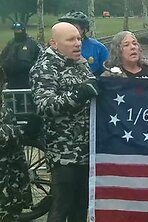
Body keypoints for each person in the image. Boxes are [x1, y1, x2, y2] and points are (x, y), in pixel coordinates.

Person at [29, 22, 99, 222]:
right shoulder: (44, 68)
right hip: (64, 152)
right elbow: (44, 105)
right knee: (62, 206)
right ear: (54, 43)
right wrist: (78, 95)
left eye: (79, 38)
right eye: (71, 40)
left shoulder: (79, 63)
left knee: (81, 206)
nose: (77, 43)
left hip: (85, 149)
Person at [0, 98, 35, 222]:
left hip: (12, 178)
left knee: (11, 213)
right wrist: (20, 131)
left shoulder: (4, 105)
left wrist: (27, 132)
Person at [58, 11, 109, 77]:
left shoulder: (98, 48)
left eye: (74, 28)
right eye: (66, 28)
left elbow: (108, 74)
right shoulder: (56, 47)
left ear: (84, 30)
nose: (69, 31)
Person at [0, 22, 43, 89]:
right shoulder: (11, 43)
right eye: (15, 30)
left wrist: (32, 66)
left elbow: (41, 57)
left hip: (28, 79)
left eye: (18, 30)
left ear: (23, 30)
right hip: (12, 79)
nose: (17, 32)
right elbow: (3, 57)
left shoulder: (32, 43)